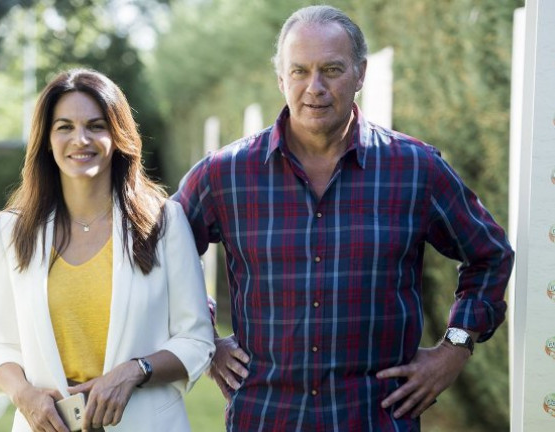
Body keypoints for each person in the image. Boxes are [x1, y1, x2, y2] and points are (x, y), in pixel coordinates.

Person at [173, 5, 514, 431]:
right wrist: (205, 339)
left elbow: (490, 255)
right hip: (265, 418)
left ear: (360, 73)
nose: (314, 87)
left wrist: (455, 347)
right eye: (299, 71)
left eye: (331, 69)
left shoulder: (416, 170)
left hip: (375, 418)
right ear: (281, 78)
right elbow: (163, 255)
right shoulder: (224, 174)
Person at [0, 68, 215, 432]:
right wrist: (24, 395)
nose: (81, 139)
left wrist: (135, 372)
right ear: (46, 139)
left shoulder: (164, 221)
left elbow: (196, 339)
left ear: (118, 136)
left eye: (96, 125)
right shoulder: (12, 231)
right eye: (65, 127)